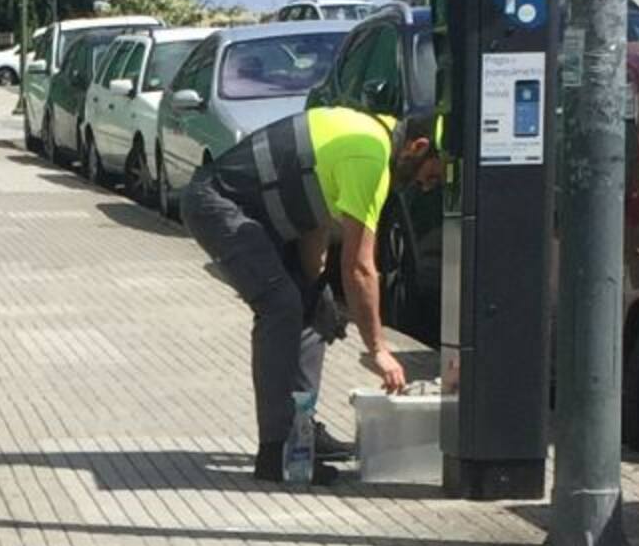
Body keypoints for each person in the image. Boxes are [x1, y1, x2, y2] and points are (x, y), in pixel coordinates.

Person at [181, 106, 445, 485]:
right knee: (281, 307)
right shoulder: (368, 156)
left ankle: (301, 433)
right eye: (429, 174)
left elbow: (313, 205)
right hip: (218, 206)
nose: (425, 185)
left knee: (315, 309)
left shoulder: (367, 133)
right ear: (417, 148)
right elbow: (359, 268)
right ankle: (276, 452)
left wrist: (313, 287)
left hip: (256, 214)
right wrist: (379, 350)